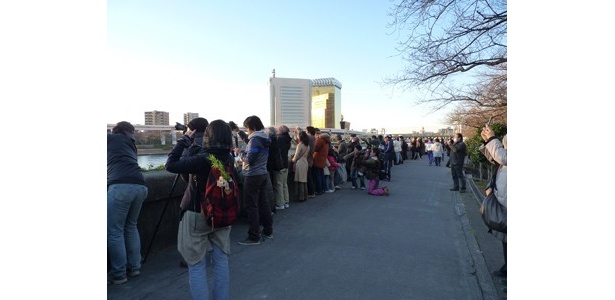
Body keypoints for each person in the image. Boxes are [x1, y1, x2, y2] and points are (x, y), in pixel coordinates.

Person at [164, 119, 235, 300]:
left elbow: (170, 165)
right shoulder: (229, 158)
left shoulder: (201, 159)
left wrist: (183, 142)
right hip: (222, 213)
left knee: (196, 264)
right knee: (221, 261)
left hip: (198, 214)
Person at [107, 121, 149, 285]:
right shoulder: (131, 144)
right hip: (140, 186)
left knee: (114, 231)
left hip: (120, 187)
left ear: (115, 130)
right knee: (131, 226)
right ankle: (135, 267)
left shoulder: (111, 139)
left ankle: (119, 274)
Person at [238, 115, 273, 245]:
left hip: (252, 175)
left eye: (247, 129)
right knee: (263, 203)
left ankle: (254, 236)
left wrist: (241, 153)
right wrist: (244, 150)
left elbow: (249, 160)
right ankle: (268, 231)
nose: (247, 132)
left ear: (251, 127)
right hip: (263, 173)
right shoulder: (265, 138)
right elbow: (256, 154)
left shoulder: (254, 140)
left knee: (251, 205)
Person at [479, 126, 507, 282]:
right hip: (502, 196)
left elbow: (503, 158)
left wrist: (492, 140)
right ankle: (506, 270)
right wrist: (488, 142)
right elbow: (498, 159)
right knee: (505, 238)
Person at [273, 125, 292, 210]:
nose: (277, 131)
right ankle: (286, 201)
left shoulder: (279, 139)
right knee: (284, 184)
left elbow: (277, 153)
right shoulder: (288, 139)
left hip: (280, 165)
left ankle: (280, 203)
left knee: (279, 184)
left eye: (278, 129)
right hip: (286, 163)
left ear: (280, 130)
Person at [291, 131, 310, 202]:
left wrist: (292, 160)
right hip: (305, 163)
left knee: (300, 181)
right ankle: (305, 195)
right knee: (304, 180)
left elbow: (296, 156)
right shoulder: (307, 146)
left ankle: (300, 197)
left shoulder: (300, 145)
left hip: (300, 163)